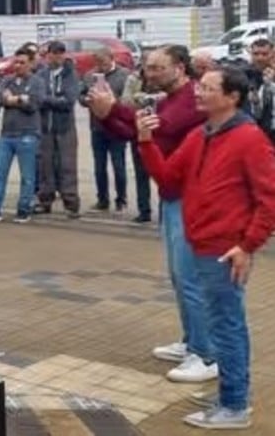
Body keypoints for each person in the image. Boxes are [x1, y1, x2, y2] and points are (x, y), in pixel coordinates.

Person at [137, 66, 275, 430]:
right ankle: (230, 395)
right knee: (221, 324)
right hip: (201, 242)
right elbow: (168, 178)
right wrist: (146, 141)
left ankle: (235, 406)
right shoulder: (201, 134)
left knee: (227, 326)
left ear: (231, 97)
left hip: (225, 248)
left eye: (208, 88)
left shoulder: (249, 138)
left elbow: (269, 199)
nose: (198, 93)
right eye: (200, 86)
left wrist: (247, 245)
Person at [88, 45, 213, 383]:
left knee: (190, 279)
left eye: (158, 68)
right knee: (179, 277)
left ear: (181, 68)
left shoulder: (189, 98)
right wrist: (106, 116)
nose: (149, 74)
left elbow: (159, 128)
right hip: (172, 195)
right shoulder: (168, 97)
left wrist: (114, 107)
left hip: (191, 197)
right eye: (147, 67)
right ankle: (192, 343)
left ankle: (206, 354)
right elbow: (135, 133)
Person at [0, 47, 47, 223]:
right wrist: (19, 98)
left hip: (28, 134)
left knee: (27, 176)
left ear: (31, 63)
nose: (18, 66)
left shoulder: (37, 82)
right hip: (7, 135)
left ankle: (23, 209)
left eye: (22, 62)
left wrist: (14, 100)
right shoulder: (7, 81)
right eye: (16, 62)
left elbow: (34, 104)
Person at [79, 49, 131, 213]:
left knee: (118, 165)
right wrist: (86, 100)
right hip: (97, 126)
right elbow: (80, 95)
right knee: (99, 167)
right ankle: (102, 199)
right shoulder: (90, 76)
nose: (101, 66)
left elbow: (128, 99)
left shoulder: (124, 75)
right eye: (98, 63)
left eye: (104, 62)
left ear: (111, 59)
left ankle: (121, 199)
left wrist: (113, 102)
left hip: (117, 127)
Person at [36, 41, 81, 218]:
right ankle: (45, 201)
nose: (57, 56)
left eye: (60, 53)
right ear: (48, 55)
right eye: (54, 53)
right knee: (46, 165)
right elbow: (37, 98)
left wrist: (48, 100)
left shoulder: (71, 74)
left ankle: (71, 204)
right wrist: (53, 100)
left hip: (65, 128)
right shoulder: (41, 74)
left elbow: (69, 101)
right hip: (45, 127)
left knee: (67, 165)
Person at [122, 64, 155, 223]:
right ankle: (144, 210)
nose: (151, 72)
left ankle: (164, 210)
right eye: (148, 67)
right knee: (141, 174)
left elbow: (165, 100)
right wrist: (142, 98)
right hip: (138, 131)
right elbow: (126, 101)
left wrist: (143, 98)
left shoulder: (163, 81)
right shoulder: (133, 79)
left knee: (163, 174)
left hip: (159, 132)